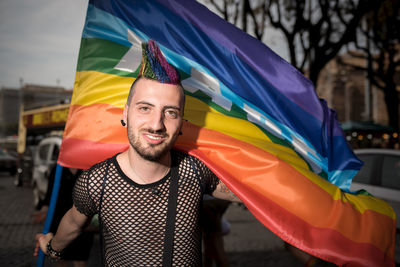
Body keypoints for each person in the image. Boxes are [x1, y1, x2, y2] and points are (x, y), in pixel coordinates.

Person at [34, 40, 240, 266]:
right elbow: (73, 224)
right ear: (126, 113)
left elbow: (253, 193)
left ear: (181, 122)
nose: (156, 124)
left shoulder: (196, 171)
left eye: (170, 112)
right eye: (145, 108)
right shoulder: (96, 182)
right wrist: (53, 248)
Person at [32, 166, 95, 267]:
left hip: (82, 222)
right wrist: (44, 211)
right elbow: (50, 195)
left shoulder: (89, 168)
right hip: (60, 221)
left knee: (80, 260)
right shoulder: (58, 168)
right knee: (60, 260)